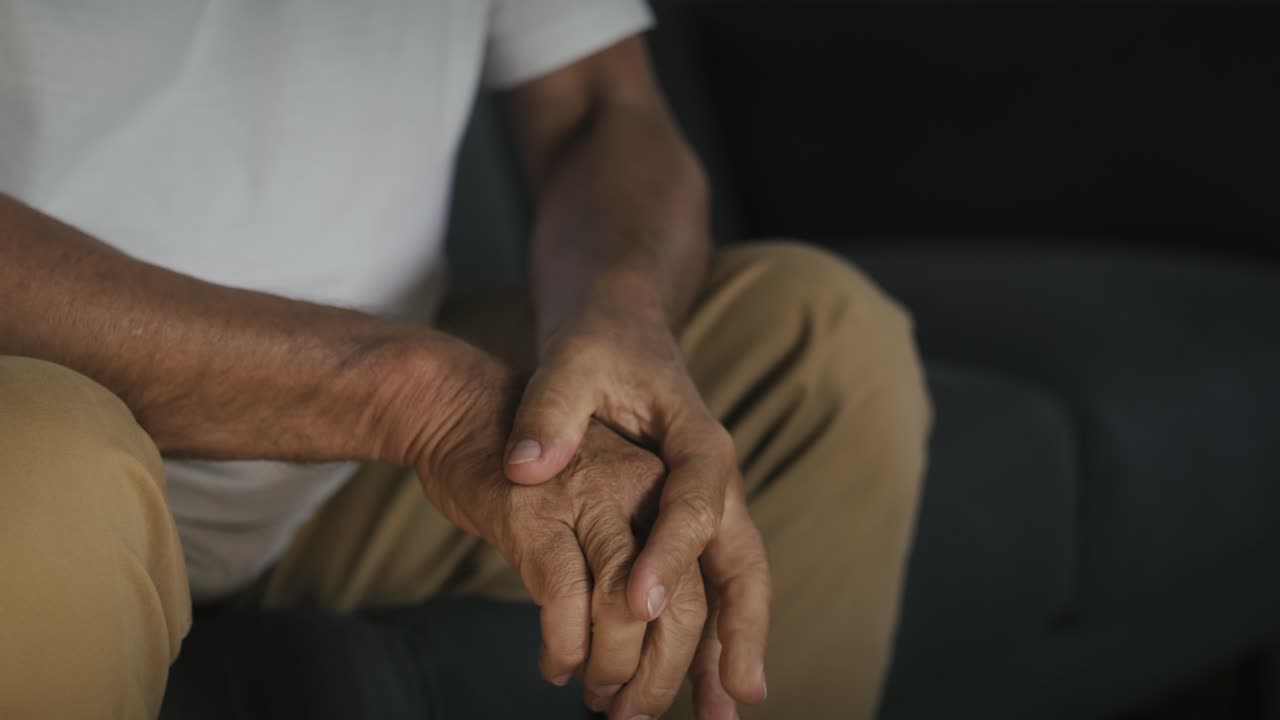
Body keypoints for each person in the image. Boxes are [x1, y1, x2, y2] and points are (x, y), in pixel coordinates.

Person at [0, 2, 931, 718]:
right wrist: (415, 398)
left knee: (818, 351)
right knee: (37, 478)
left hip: (345, 475)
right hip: (50, 414)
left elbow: (604, 111)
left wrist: (619, 321)